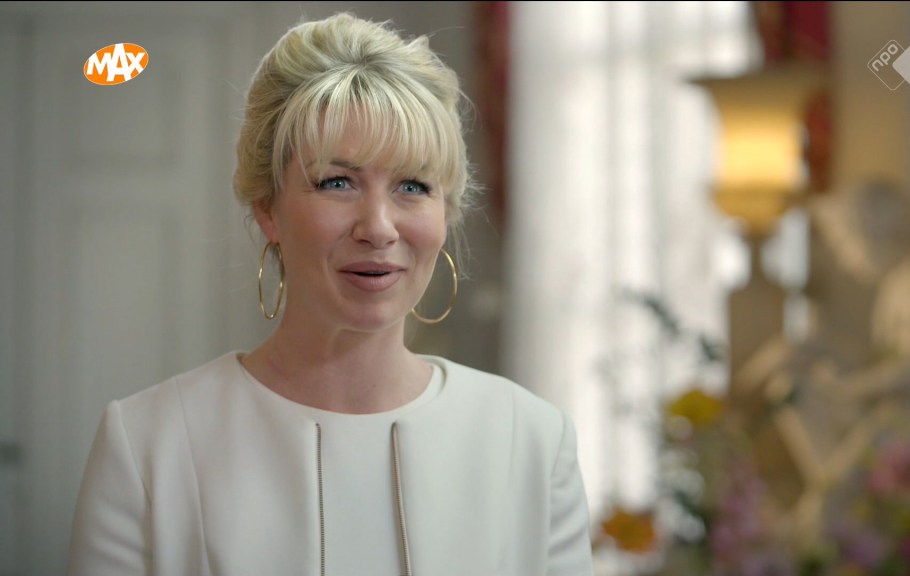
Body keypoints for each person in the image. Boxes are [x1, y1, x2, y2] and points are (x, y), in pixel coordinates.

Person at [68, 11, 594, 576]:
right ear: (267, 209)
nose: (379, 228)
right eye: (337, 182)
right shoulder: (147, 445)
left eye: (413, 186)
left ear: (445, 213)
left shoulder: (534, 441)